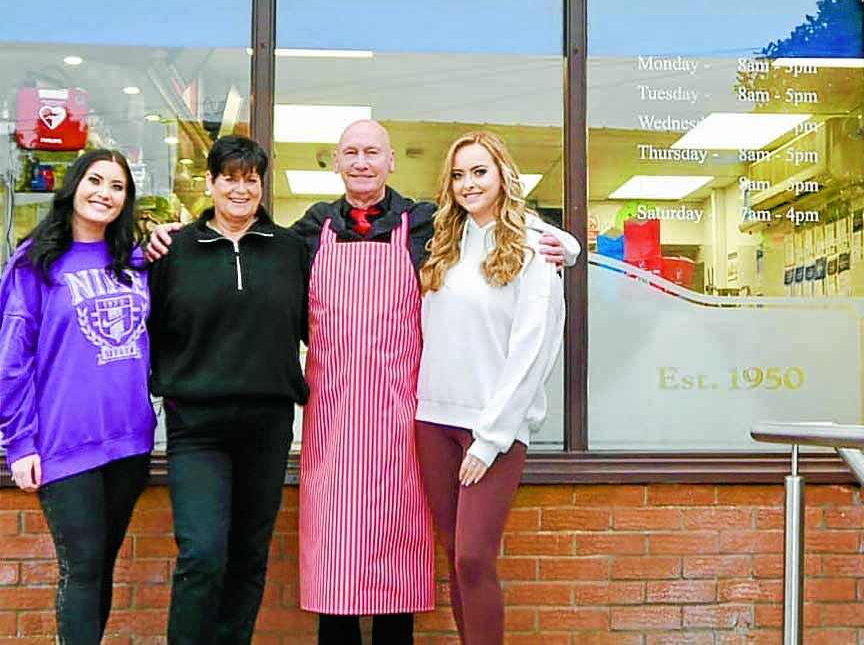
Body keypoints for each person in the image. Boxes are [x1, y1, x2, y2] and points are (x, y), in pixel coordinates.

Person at [148, 119, 578, 645]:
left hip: (403, 421)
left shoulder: (425, 225)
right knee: (335, 549)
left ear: (391, 161)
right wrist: (170, 236)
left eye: (372, 152)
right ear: (335, 162)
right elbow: (243, 247)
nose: (361, 161)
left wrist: (567, 246)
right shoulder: (308, 232)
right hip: (331, 423)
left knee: (400, 545)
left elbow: (503, 228)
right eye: (350, 152)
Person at [146, 134, 309, 645]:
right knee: (201, 553)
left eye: (251, 179)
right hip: (197, 424)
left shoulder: (289, 250)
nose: (241, 189)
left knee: (249, 552)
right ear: (211, 183)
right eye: (230, 178)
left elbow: (321, 324)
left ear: (262, 186)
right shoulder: (175, 250)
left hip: (268, 421)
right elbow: (147, 329)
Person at [414, 131, 566, 645]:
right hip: (433, 420)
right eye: (458, 174)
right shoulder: (443, 242)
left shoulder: (534, 246)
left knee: (475, 557)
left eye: (479, 171)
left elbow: (534, 349)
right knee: (455, 557)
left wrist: (492, 436)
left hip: (492, 429)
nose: (468, 184)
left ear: (503, 173)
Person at [0, 148, 156, 645]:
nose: (104, 193)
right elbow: (11, 361)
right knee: (82, 568)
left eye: (117, 187)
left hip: (128, 442)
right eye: (96, 180)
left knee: (101, 567)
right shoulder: (34, 265)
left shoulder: (134, 261)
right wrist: (20, 443)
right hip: (65, 444)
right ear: (73, 186)